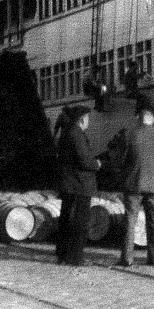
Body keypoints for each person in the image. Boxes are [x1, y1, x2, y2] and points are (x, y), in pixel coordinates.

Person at [116, 99, 154, 267]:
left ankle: (127, 258)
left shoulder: (129, 134)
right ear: (153, 118)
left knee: (130, 221)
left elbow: (121, 160)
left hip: (133, 183)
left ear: (138, 117)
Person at [55, 105, 101, 267]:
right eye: (88, 118)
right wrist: (96, 164)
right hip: (80, 185)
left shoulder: (67, 133)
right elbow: (84, 159)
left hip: (69, 184)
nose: (89, 121)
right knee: (80, 221)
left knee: (66, 218)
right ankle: (75, 256)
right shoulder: (77, 134)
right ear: (82, 119)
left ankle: (62, 254)